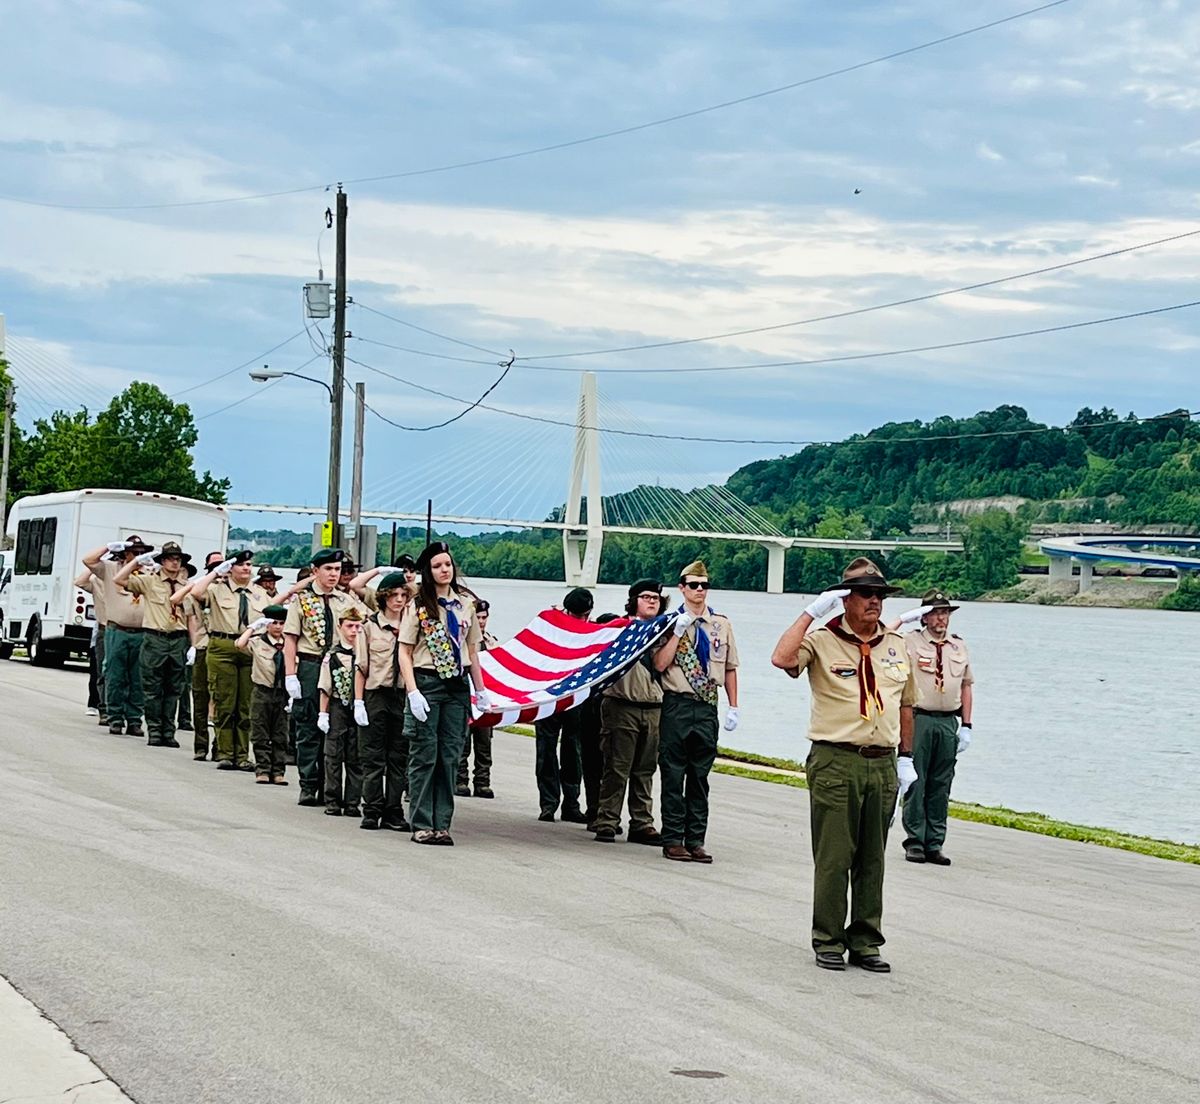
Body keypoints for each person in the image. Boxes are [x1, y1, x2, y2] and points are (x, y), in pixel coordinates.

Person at [770, 557, 917, 974]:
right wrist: (811, 612)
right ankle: (828, 938)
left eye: (880, 595)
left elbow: (906, 704)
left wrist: (906, 759)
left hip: (882, 763)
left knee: (873, 857)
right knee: (835, 856)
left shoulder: (895, 643)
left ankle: (866, 940)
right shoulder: (822, 639)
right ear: (844, 599)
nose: (875, 602)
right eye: (866, 594)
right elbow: (782, 660)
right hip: (837, 759)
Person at [397, 541, 491, 845]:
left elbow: (472, 650)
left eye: (447, 564)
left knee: (450, 755)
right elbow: (405, 652)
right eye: (437, 566)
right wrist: (412, 691)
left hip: (457, 685)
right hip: (427, 682)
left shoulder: (465, 604)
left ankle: (442, 823)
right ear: (428, 570)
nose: (444, 570)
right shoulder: (418, 605)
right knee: (425, 754)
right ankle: (422, 822)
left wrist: (481, 690)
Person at [652, 561, 739, 864]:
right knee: (674, 773)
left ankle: (696, 840)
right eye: (693, 585)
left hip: (706, 705)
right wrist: (676, 634)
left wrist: (734, 706)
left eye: (704, 585)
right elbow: (660, 665)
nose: (699, 590)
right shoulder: (667, 623)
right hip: (677, 703)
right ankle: (673, 838)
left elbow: (729, 668)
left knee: (700, 776)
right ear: (682, 588)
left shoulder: (721, 624)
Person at [891, 588, 975, 866]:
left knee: (941, 784)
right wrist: (904, 618)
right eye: (935, 613)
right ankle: (914, 840)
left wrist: (967, 724)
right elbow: (883, 637)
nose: (942, 619)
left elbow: (966, 686)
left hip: (948, 720)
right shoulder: (909, 642)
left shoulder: (958, 646)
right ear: (924, 617)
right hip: (919, 719)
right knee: (917, 781)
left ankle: (934, 843)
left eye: (945, 613)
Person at [283, 549, 359, 807]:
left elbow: (366, 623)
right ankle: (308, 783)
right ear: (315, 571)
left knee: (335, 726)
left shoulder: (346, 601)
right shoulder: (301, 600)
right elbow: (290, 639)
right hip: (310, 664)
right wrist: (290, 675)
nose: (334, 575)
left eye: (337, 570)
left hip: (338, 665)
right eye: (328, 569)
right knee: (308, 726)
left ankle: (329, 786)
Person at [593, 580, 665, 845]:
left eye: (656, 597)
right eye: (646, 596)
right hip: (622, 704)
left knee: (645, 769)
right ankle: (607, 820)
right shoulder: (619, 629)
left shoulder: (665, 631)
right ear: (634, 600)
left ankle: (642, 822)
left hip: (654, 706)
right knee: (617, 767)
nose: (652, 601)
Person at [191, 551, 265, 771]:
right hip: (222, 646)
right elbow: (196, 592)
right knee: (225, 702)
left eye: (249, 565)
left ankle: (242, 755)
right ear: (230, 568)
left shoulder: (258, 593)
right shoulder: (216, 590)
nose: (246, 568)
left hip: (250, 647)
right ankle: (225, 753)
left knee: (244, 705)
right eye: (240, 564)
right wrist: (215, 572)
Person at [115, 541, 192, 748]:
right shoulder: (150, 582)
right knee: (152, 688)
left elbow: (192, 616)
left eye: (178, 559)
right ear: (162, 561)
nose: (175, 563)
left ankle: (169, 731)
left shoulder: (186, 587)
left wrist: (192, 644)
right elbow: (119, 579)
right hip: (155, 638)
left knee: (174, 689)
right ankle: (155, 730)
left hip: (178, 639)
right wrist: (136, 562)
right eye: (171, 559)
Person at [355, 572, 415, 830]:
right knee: (372, 756)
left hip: (401, 696)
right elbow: (361, 666)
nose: (399, 600)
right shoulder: (369, 627)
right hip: (376, 695)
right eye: (394, 595)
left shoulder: (413, 627)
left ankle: (393, 810)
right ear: (383, 597)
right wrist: (358, 702)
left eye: (403, 595)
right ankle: (371, 809)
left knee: (398, 757)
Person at [83, 535, 153, 737]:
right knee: (115, 676)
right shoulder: (110, 569)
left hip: (141, 632)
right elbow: (88, 561)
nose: (139, 556)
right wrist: (107, 547)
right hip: (117, 630)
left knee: (137, 679)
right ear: (125, 554)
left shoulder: (148, 573)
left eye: (142, 553)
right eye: (135, 553)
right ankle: (115, 718)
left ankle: (134, 720)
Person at [534, 587, 593, 824]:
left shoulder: (593, 631)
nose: (581, 620)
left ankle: (571, 803)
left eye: (585, 616)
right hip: (549, 696)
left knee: (573, 750)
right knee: (546, 751)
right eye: (577, 615)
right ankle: (548, 803)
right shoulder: (550, 628)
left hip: (576, 699)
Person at [235, 604, 291, 785]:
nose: (278, 626)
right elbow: (239, 644)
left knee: (280, 734)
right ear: (267, 624)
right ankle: (263, 769)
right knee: (260, 732)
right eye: (273, 622)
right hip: (262, 691)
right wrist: (253, 627)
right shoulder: (259, 642)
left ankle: (278, 770)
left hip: (283, 693)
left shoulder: (289, 644)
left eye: (282, 623)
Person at [318, 607, 366, 817]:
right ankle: (332, 800)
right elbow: (325, 687)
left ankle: (353, 802)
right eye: (350, 626)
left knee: (356, 757)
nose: (354, 630)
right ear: (340, 627)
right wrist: (323, 713)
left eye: (357, 626)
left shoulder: (365, 654)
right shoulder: (333, 656)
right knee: (333, 756)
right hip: (338, 707)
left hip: (359, 708)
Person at [182, 551, 224, 761]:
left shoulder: (228, 591)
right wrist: (193, 644)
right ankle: (201, 745)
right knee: (200, 697)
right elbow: (191, 618)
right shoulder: (199, 589)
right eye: (215, 567)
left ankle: (219, 746)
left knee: (221, 699)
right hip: (202, 646)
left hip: (221, 649)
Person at [456, 598, 497, 799]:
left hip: (482, 700)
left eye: (484, 618)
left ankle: (482, 781)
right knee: (462, 742)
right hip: (465, 697)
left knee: (484, 743)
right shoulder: (463, 641)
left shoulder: (491, 642)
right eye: (478, 617)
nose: (481, 621)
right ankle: (460, 779)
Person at [75, 571, 104, 718]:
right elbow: (80, 581)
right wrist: (96, 566)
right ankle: (93, 703)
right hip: (101, 632)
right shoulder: (98, 582)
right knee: (97, 671)